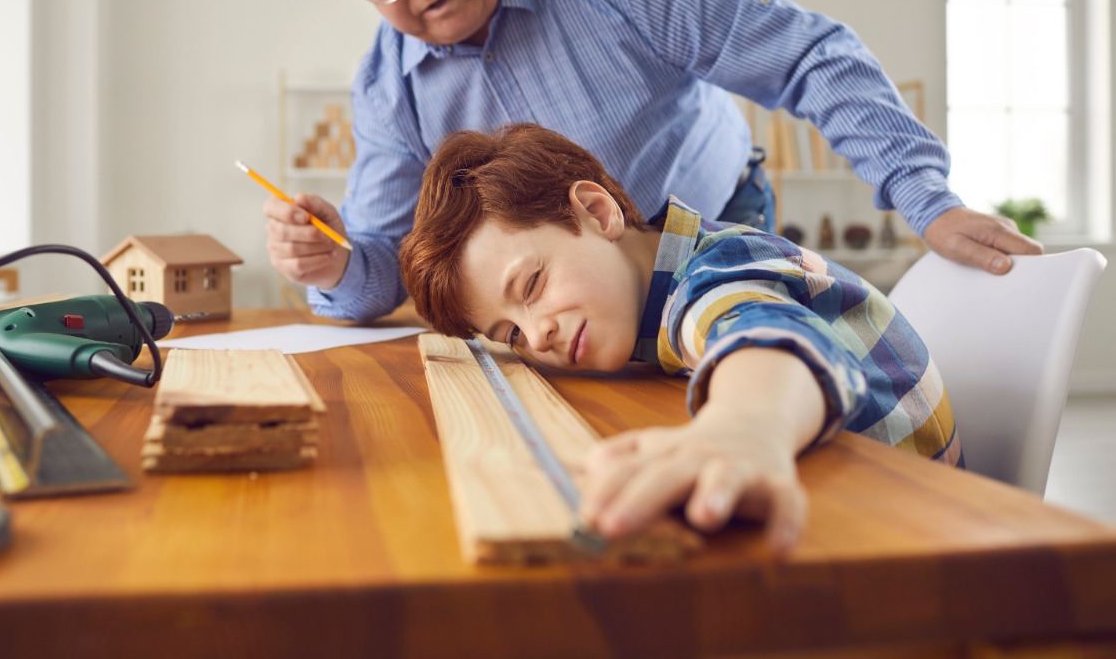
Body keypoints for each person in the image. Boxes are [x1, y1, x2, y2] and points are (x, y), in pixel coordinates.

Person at [263, 0, 1041, 323]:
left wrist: (925, 200)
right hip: (551, 310)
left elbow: (806, 53)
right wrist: (333, 265)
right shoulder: (386, 85)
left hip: (711, 234)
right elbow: (386, 268)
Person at [397, 122, 961, 552]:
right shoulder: (651, 294)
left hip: (912, 533)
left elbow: (763, 334)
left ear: (597, 212)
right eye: (510, 332)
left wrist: (742, 431)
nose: (537, 332)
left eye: (534, 284)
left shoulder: (712, 276)